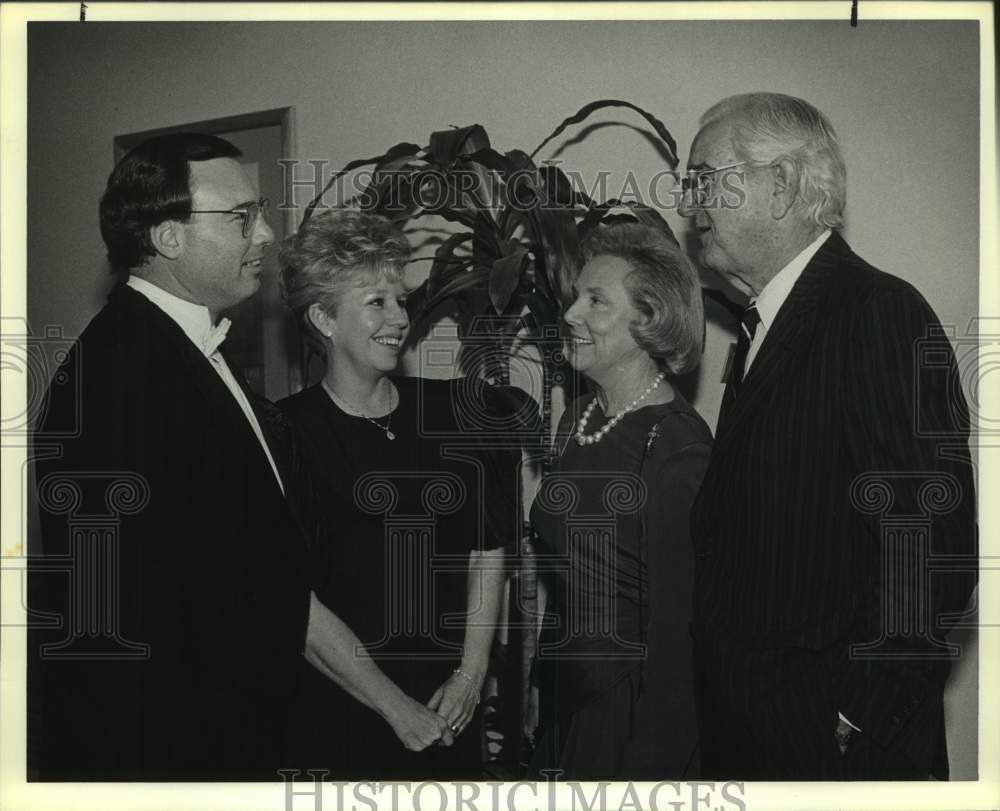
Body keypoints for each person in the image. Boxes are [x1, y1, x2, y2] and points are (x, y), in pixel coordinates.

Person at [28, 133, 450, 781]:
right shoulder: (122, 374)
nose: (266, 234)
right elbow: (120, 620)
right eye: (240, 216)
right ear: (168, 237)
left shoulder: (182, 354)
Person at [679, 93, 977, 780]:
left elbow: (931, 546)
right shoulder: (763, 328)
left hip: (833, 754)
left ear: (779, 186)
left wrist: (858, 716)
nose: (690, 207)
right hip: (755, 740)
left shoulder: (875, 312)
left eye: (703, 179)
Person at [277, 207, 516, 779]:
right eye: (376, 302)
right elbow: (295, 604)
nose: (399, 318)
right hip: (345, 711)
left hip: (448, 705)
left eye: (400, 299)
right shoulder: (285, 434)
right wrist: (394, 708)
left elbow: (487, 548)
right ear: (323, 318)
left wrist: (470, 673)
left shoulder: (450, 413)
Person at [528, 220, 712, 779]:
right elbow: (562, 578)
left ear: (647, 321)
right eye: (576, 295)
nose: (569, 314)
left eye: (596, 301)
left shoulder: (679, 447)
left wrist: (650, 762)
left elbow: (682, 639)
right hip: (565, 701)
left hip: (629, 715)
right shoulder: (574, 421)